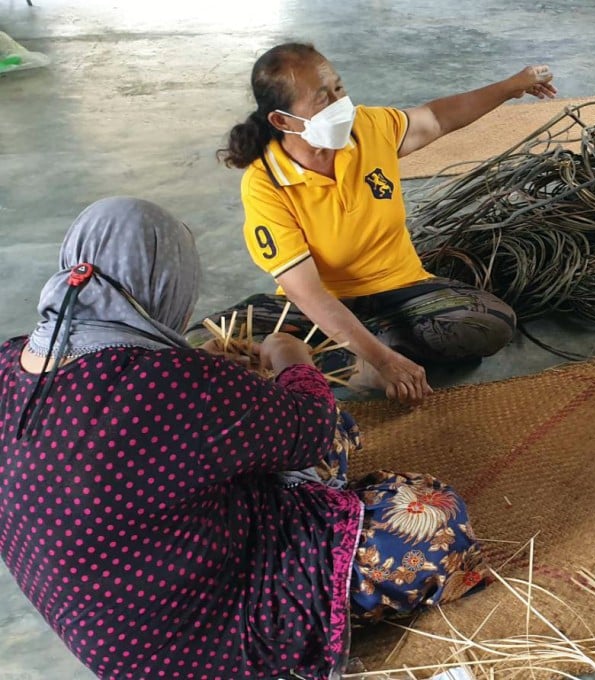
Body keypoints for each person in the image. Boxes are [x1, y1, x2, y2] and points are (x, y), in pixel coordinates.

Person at [0, 197, 489, 679]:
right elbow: (312, 428)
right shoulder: (163, 382)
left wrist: (207, 371)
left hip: (108, 635)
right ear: (164, 283)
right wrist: (290, 356)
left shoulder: (10, 361)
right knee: (428, 515)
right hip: (207, 643)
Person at [204, 43, 557, 406]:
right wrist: (383, 360)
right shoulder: (266, 183)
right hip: (319, 305)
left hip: (401, 291)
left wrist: (511, 86)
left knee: (493, 322)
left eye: (338, 89)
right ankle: (366, 362)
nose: (341, 103)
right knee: (207, 345)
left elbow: (436, 118)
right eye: (322, 99)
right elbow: (305, 292)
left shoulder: (368, 128)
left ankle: (317, 359)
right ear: (282, 121)